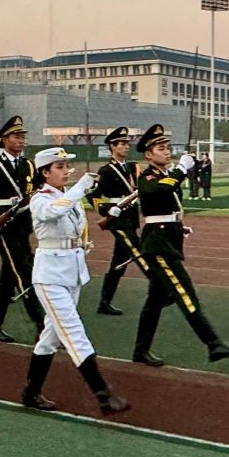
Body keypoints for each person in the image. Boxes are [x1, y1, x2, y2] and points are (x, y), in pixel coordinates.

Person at [20, 147, 130, 416]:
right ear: (45, 172)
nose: (66, 171)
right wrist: (81, 188)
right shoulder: (40, 199)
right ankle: (103, 393)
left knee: (50, 339)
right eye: (59, 167)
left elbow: (77, 224)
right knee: (74, 333)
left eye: (66, 166)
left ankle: (31, 392)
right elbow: (53, 212)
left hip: (72, 272)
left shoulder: (66, 196)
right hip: (50, 276)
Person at [131, 125, 229, 366]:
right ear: (148, 154)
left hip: (166, 239)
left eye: (167, 147)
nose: (166, 151)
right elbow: (163, 190)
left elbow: (167, 206)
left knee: (154, 301)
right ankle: (213, 343)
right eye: (161, 148)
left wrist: (178, 226)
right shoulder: (148, 177)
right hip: (158, 245)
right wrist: (181, 169)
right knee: (185, 293)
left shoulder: (164, 175)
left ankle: (140, 350)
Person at [0, 116, 46, 343]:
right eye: (16, 136)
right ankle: (42, 326)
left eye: (23, 137)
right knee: (23, 273)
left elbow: (39, 188)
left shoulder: (28, 165)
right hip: (3, 227)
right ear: (5, 139)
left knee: (7, 279)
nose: (21, 140)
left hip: (23, 225)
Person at [89, 126, 140, 316]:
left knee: (120, 262)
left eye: (127, 143)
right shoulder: (107, 170)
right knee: (138, 250)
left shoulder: (132, 167)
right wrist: (107, 209)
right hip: (117, 221)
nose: (126, 146)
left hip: (130, 218)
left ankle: (104, 303)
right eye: (122, 144)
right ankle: (162, 288)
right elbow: (93, 195)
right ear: (113, 146)